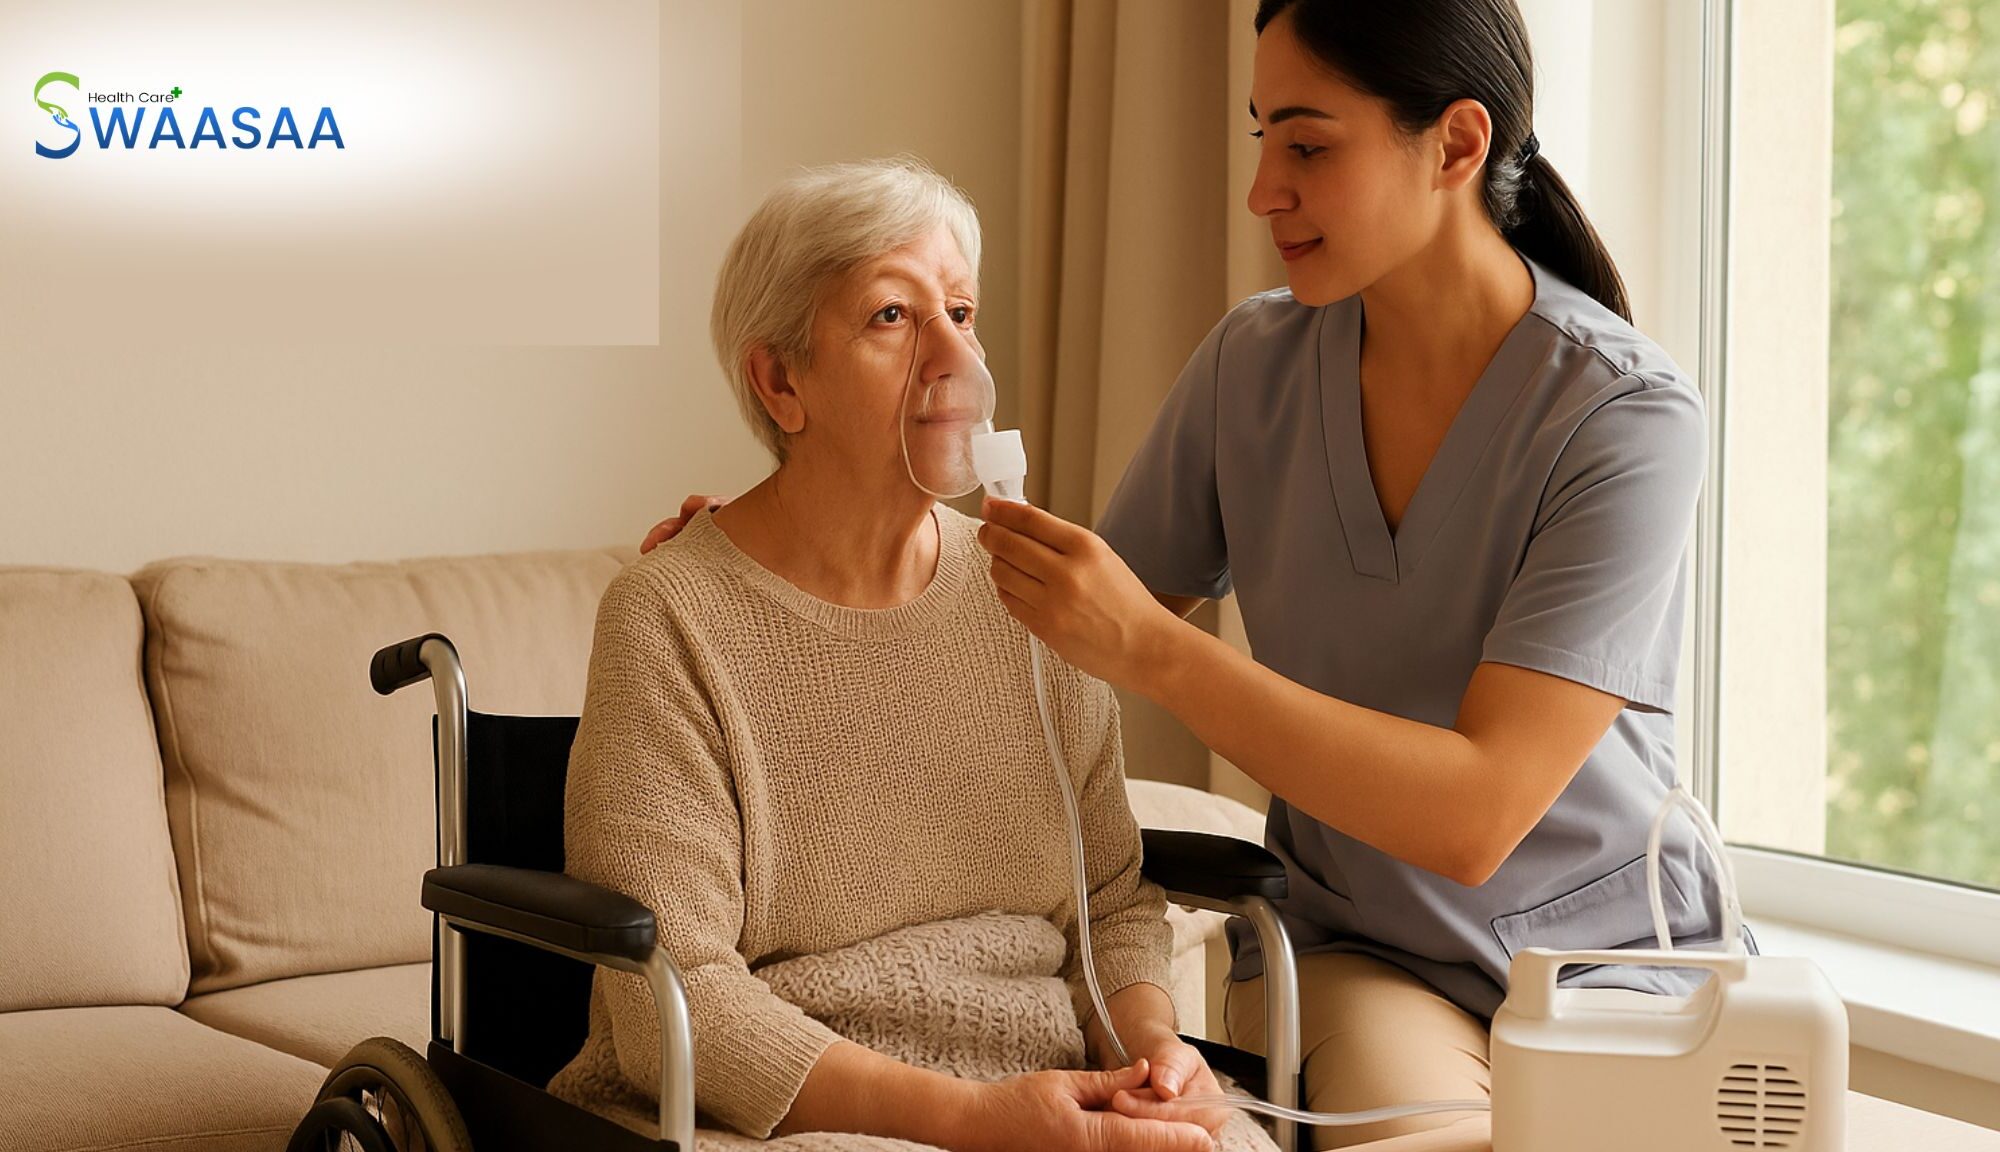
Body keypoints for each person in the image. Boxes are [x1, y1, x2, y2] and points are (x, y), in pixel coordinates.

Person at [558, 158, 1268, 1152]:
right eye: (893, 316)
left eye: (963, 312)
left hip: (1048, 1091)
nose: (954, 357)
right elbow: (669, 997)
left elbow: (1108, 907)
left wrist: (1155, 1058)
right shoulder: (671, 620)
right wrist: (972, 1119)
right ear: (779, 379)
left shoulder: (1039, 601)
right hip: (798, 1112)